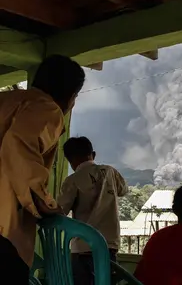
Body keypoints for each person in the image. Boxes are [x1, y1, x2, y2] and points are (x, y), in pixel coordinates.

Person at [0, 55, 85, 284]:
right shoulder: (47, 108)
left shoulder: (8, 101)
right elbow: (18, 144)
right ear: (70, 97)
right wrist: (44, 202)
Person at [57, 136, 128, 285]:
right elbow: (123, 190)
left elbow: (60, 211)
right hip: (108, 246)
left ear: (70, 161)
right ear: (93, 155)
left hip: (81, 247)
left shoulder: (72, 180)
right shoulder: (110, 171)